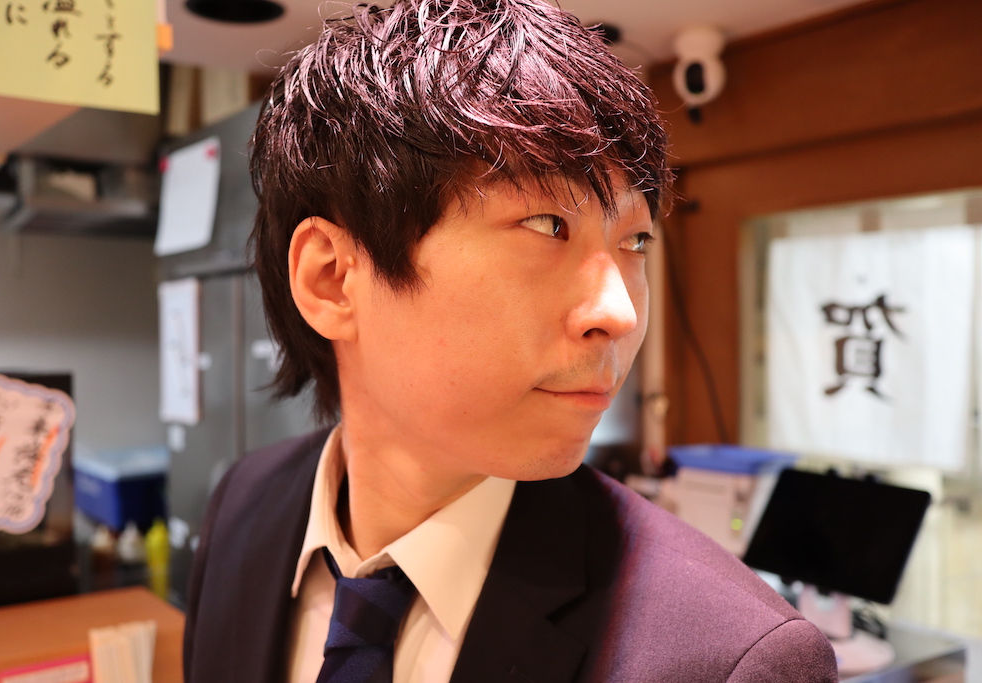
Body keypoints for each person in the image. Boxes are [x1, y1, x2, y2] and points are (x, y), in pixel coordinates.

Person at [183, 0, 839, 681]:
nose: (618, 312)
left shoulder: (733, 658)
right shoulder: (242, 505)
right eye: (548, 225)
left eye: (636, 241)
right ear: (333, 279)